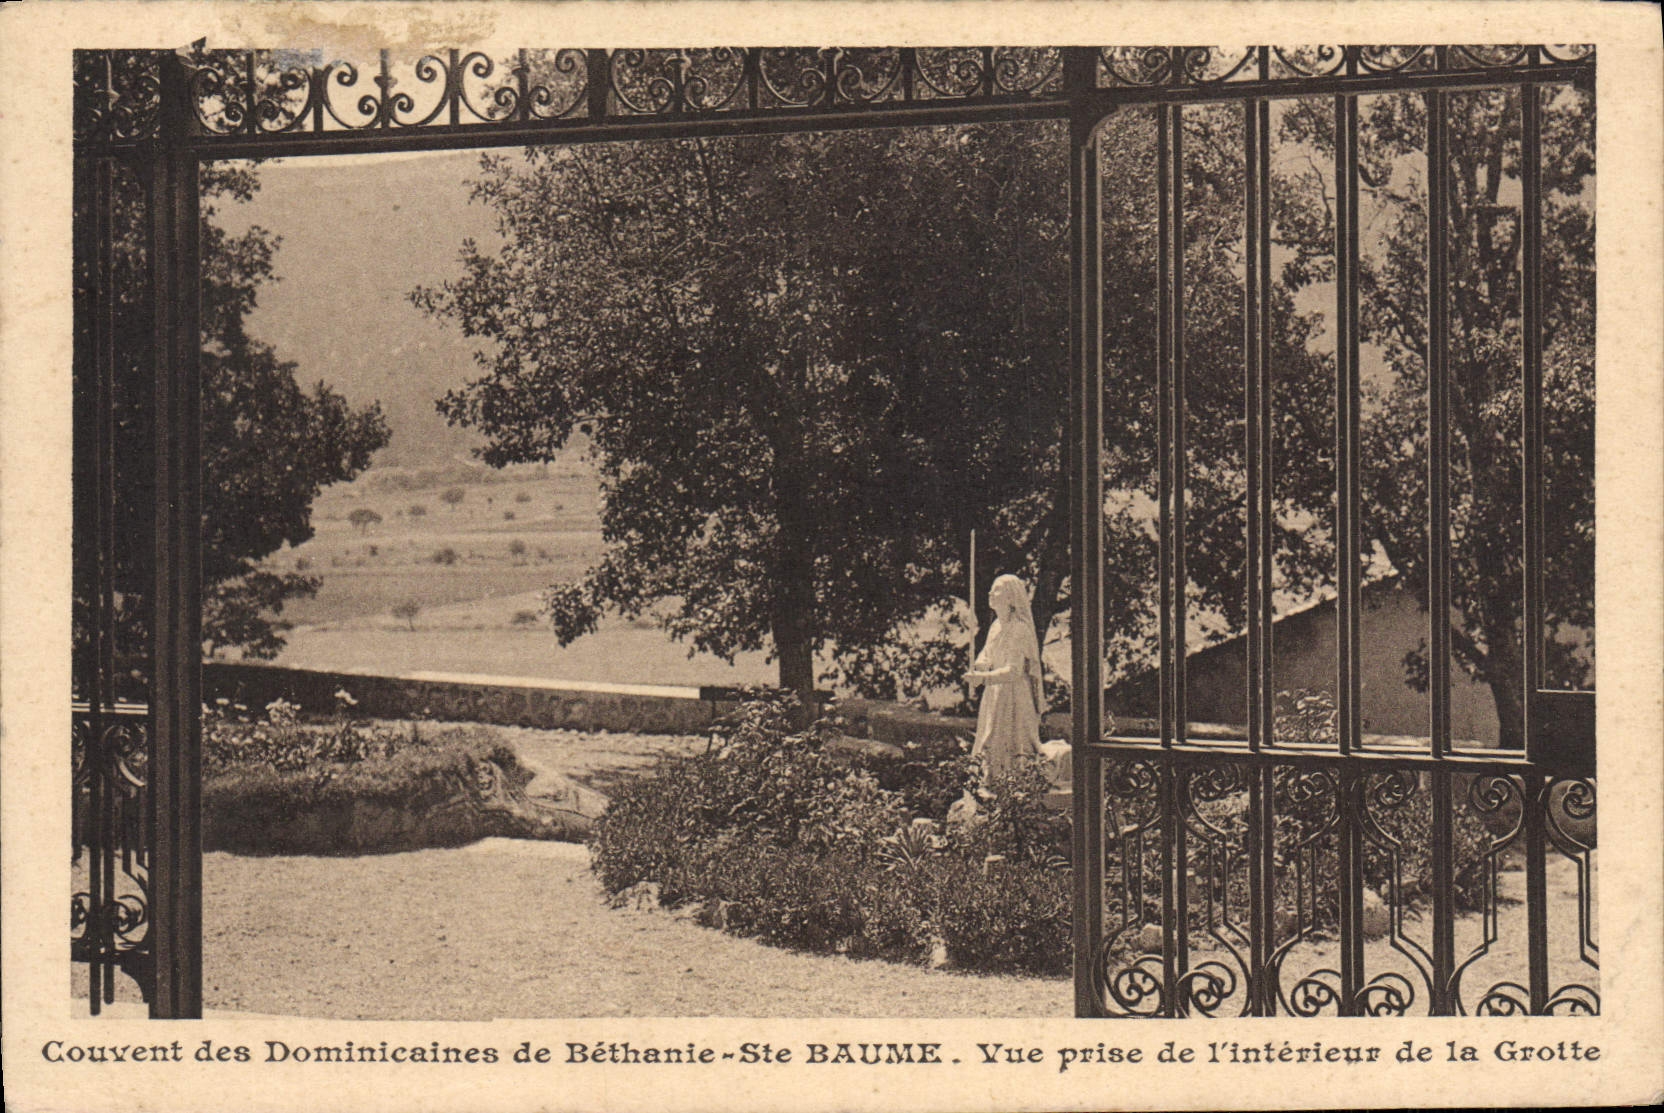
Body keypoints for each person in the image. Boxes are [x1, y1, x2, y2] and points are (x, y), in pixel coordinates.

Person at [964, 573, 1044, 779]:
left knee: (1010, 742)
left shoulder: (1019, 630)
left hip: (1014, 694)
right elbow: (987, 653)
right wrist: (981, 665)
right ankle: (988, 784)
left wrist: (984, 679)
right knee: (989, 738)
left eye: (997, 590)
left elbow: (1014, 671)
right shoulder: (996, 627)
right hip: (995, 692)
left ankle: (1011, 789)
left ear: (1010, 598)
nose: (991, 593)